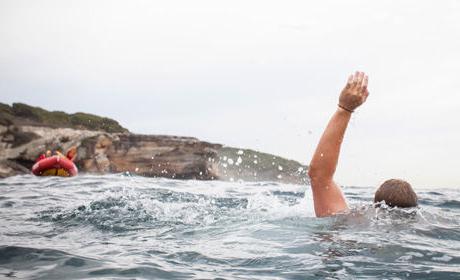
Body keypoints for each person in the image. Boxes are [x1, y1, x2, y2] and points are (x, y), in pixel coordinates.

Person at [308, 71, 418, 217]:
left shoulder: (355, 220)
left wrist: (345, 109)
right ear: (416, 208)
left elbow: (319, 176)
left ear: (376, 204)